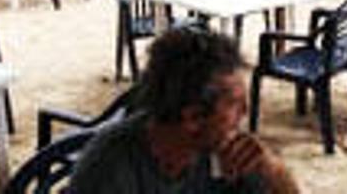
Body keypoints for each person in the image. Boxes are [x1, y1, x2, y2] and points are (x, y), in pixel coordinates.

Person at [69, 30, 299, 193]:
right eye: (235, 103)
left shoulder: (224, 151)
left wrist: (273, 170)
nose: (246, 111)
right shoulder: (111, 170)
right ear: (193, 118)